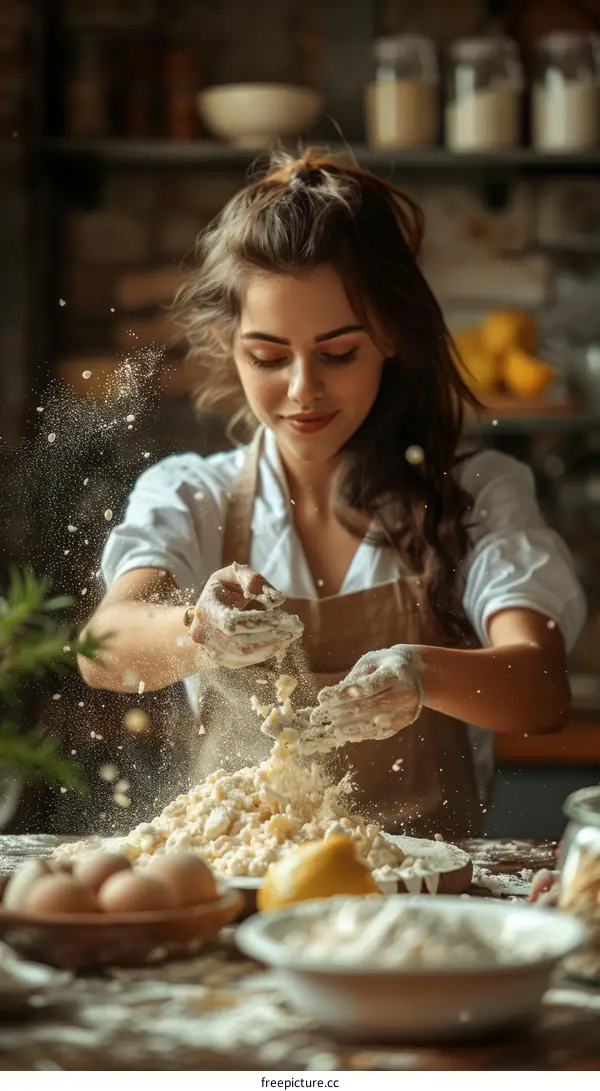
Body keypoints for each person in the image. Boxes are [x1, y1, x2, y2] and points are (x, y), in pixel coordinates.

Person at [79, 151, 586, 838]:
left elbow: (541, 690)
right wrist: (199, 631)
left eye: (338, 353)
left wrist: (420, 672)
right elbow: (102, 649)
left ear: (389, 338)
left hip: (423, 903)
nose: (301, 390)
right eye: (268, 355)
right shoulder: (190, 494)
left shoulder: (475, 493)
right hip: (244, 892)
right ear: (228, 344)